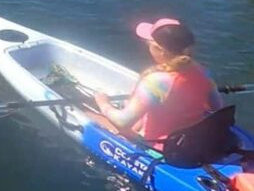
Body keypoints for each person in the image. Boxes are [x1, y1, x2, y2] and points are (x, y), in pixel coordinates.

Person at [94, 18, 223, 149]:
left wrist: (103, 103)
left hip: (161, 147)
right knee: (141, 116)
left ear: (160, 50)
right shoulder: (203, 72)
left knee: (99, 117)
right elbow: (216, 107)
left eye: (149, 43)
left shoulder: (156, 82)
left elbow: (123, 122)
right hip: (190, 139)